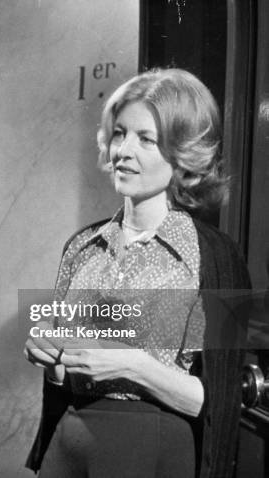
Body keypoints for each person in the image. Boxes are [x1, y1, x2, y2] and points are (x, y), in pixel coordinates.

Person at [24, 69, 250, 478]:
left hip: (153, 453)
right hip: (69, 445)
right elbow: (59, 374)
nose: (123, 151)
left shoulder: (220, 257)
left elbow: (223, 402)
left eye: (146, 139)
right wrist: (49, 356)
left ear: (184, 152)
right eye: (119, 133)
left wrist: (131, 365)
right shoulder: (80, 245)